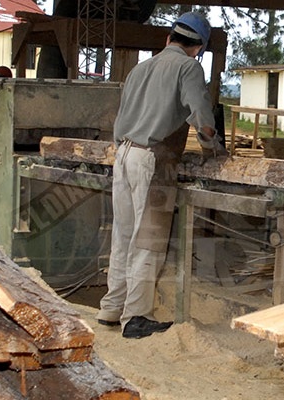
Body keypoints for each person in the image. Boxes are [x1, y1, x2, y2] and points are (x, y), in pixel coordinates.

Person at [97, 12, 227, 339]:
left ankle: (111, 308)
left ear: (169, 38)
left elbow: (121, 116)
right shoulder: (189, 67)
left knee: (123, 236)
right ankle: (136, 317)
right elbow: (202, 118)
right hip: (153, 160)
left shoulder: (140, 69)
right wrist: (214, 149)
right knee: (149, 240)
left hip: (124, 154)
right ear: (198, 48)